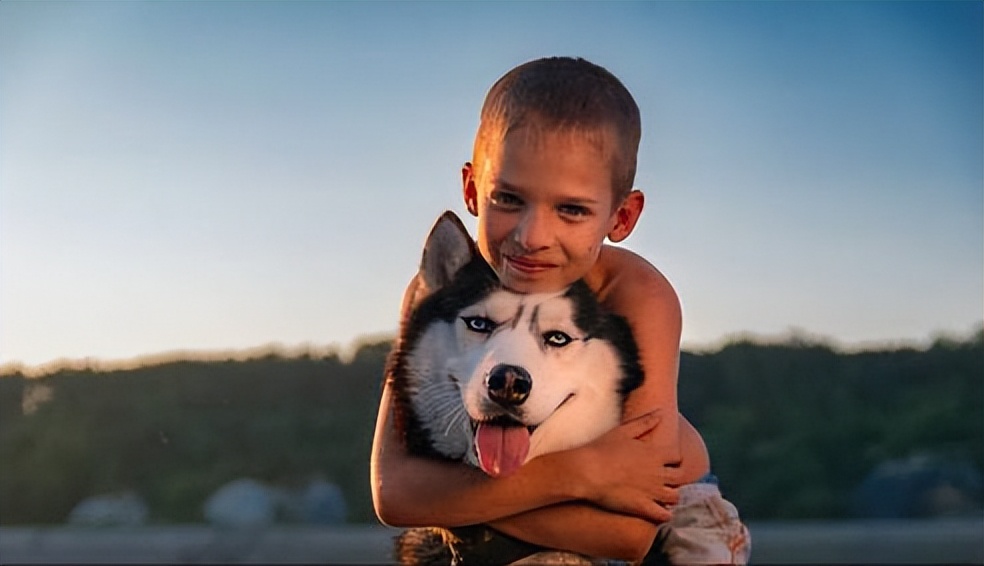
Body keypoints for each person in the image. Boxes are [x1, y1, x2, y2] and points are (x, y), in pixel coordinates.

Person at [371, 56, 749, 564]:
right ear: (471, 190)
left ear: (622, 216)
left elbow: (629, 535)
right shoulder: (444, 286)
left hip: (667, 521)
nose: (532, 237)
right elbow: (393, 492)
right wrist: (584, 473)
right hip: (548, 495)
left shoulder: (636, 293)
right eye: (508, 198)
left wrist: (444, 500)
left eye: (570, 209)